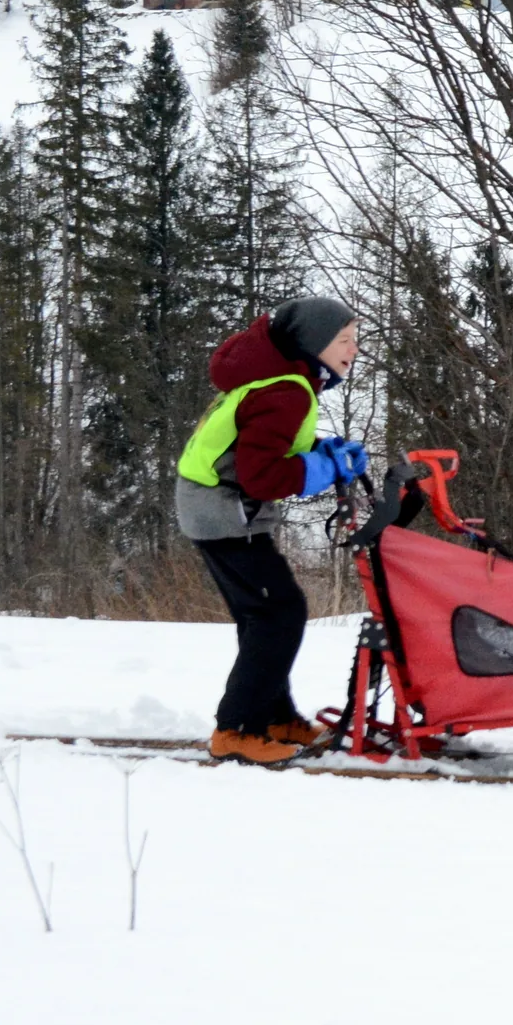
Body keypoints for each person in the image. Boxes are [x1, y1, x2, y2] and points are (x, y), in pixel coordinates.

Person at [174, 297, 371, 765]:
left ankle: (274, 718)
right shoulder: (287, 391)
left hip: (214, 509)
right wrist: (327, 467)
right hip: (224, 513)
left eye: (356, 340)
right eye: (344, 340)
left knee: (265, 615)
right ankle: (237, 729)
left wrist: (325, 451)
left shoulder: (280, 385)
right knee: (279, 613)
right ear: (313, 343)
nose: (354, 350)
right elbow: (263, 475)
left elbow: (266, 443)